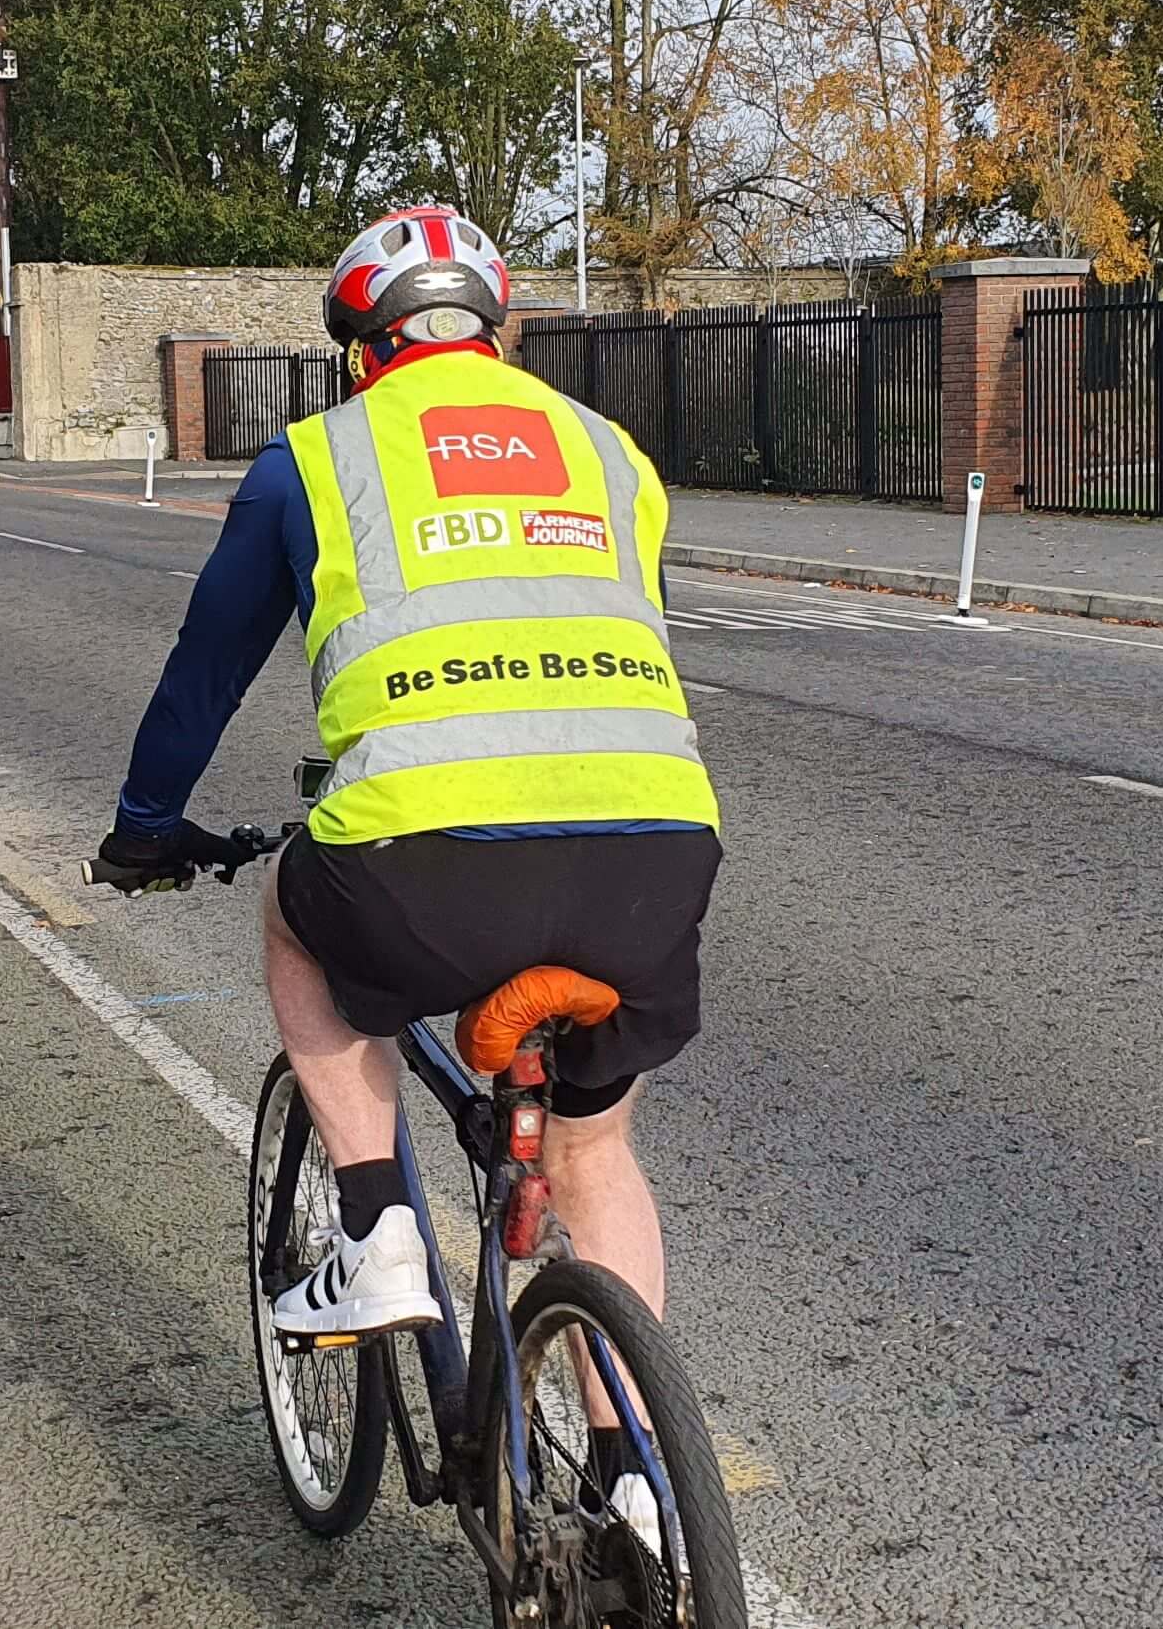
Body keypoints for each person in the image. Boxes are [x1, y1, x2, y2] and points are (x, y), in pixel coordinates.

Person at [98, 203, 720, 1535]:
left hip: (422, 855)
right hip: (655, 850)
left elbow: (207, 672)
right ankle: (640, 1490)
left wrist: (148, 826)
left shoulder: (314, 461)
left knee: (293, 918)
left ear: (361, 352)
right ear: (499, 336)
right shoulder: (612, 453)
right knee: (598, 1151)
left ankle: (377, 1222)